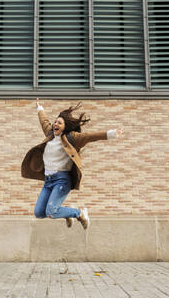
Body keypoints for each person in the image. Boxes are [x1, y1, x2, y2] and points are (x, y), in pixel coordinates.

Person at [21, 98, 122, 230]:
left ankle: (79, 213)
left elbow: (90, 136)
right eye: (55, 122)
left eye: (59, 123)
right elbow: (44, 121)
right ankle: (65, 213)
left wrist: (111, 134)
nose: (55, 124)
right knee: (39, 213)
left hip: (62, 180)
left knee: (51, 211)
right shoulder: (50, 134)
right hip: (48, 181)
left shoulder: (71, 138)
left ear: (65, 127)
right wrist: (40, 109)